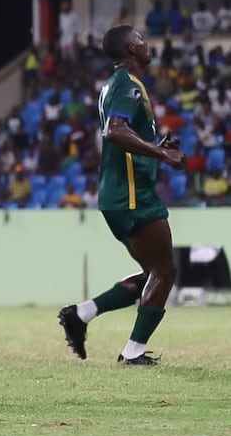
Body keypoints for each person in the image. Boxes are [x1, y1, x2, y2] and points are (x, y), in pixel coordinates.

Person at [58, 25, 187, 366]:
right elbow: (114, 131)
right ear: (131, 48)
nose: (147, 44)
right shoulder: (127, 86)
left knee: (152, 273)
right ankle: (133, 353)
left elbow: (124, 132)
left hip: (121, 192)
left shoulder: (116, 86)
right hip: (132, 193)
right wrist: (161, 155)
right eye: (142, 39)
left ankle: (81, 314)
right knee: (164, 271)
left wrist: (156, 147)